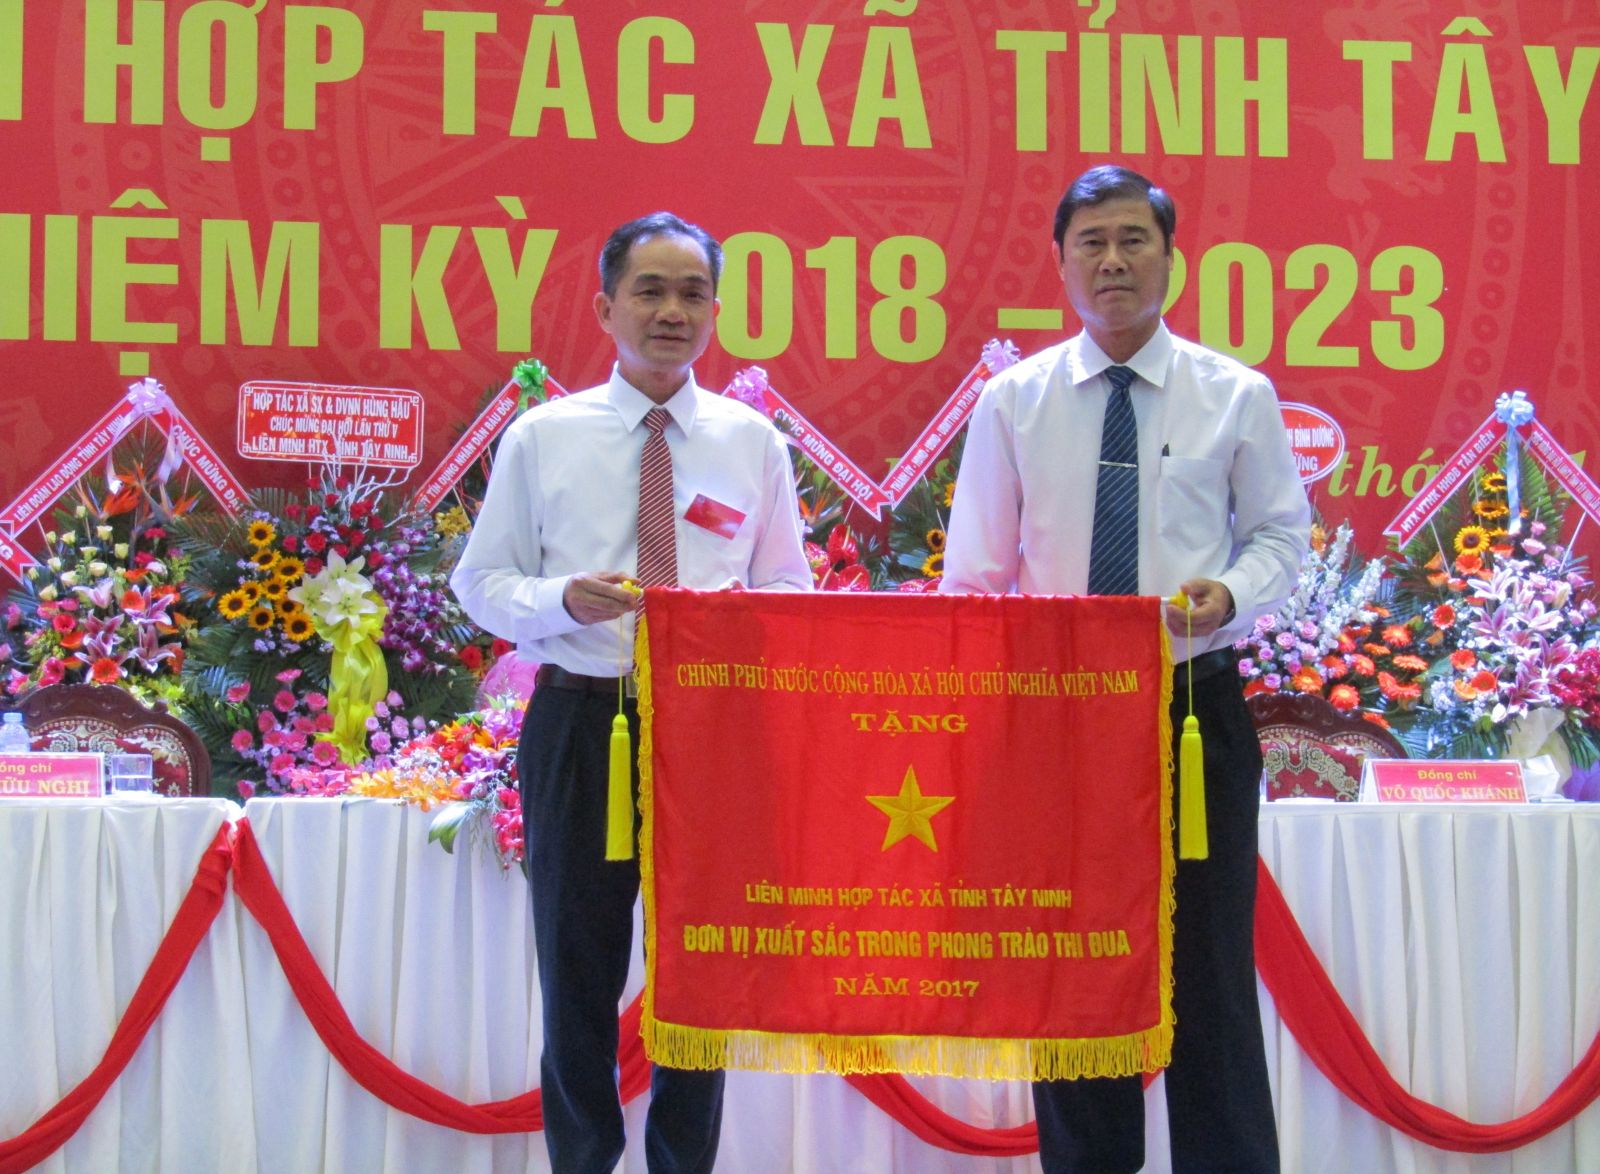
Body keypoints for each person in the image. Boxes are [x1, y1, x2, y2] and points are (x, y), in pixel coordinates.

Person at [941, 165, 1309, 1172]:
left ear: (1170, 258)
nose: (1112, 260)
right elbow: (974, 577)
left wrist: (1228, 593)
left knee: (1209, 973)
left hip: (1192, 710)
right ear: (1060, 264)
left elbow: (1282, 537)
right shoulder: (1013, 402)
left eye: (1133, 239)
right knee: (1075, 972)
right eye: (1091, 242)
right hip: (1057, 719)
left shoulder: (1234, 394)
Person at [451, 211, 812, 1173]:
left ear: (716, 312)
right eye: (649, 291)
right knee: (578, 969)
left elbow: (789, 590)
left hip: (711, 731)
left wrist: (737, 623)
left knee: (699, 975)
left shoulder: (752, 443)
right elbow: (478, 584)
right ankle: (582, 1161)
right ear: (606, 308)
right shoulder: (543, 438)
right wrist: (558, 599)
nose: (671, 312)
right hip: (582, 715)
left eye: (693, 294)